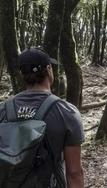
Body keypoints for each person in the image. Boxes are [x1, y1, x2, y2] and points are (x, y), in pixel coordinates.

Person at [0, 47, 85, 187]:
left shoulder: (3, 109)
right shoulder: (66, 112)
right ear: (49, 69)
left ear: (22, 74)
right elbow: (74, 173)